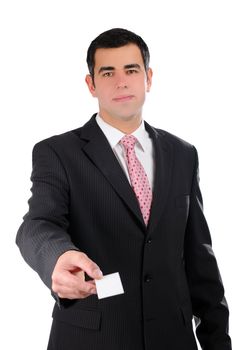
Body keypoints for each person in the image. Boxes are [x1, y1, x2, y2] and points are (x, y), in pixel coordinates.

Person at [16, 28, 231, 350]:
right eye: (108, 72)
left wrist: (217, 341)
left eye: (131, 70)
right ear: (91, 84)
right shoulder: (57, 153)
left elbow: (199, 258)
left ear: (149, 78)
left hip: (172, 338)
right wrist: (58, 256)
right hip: (93, 337)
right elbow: (38, 224)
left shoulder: (183, 153)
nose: (121, 82)